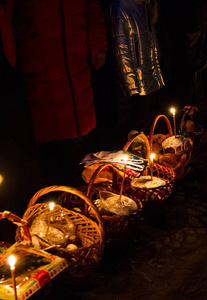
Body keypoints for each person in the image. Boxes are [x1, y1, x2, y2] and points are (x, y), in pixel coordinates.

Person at [0, 0, 107, 186]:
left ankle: (78, 193)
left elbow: (91, 4)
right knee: (49, 142)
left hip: (76, 54)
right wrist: (10, 60)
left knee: (79, 131)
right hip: (38, 58)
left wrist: (98, 42)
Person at [102, 0, 165, 140]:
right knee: (133, 126)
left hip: (145, 74)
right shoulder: (121, 6)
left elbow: (150, 38)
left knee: (145, 120)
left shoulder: (144, 4)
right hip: (134, 80)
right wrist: (129, 84)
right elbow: (120, 48)